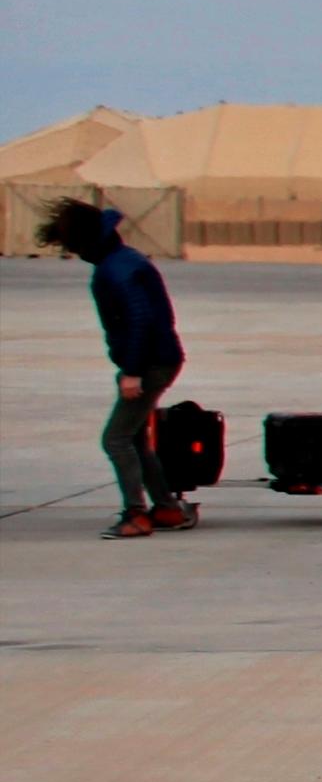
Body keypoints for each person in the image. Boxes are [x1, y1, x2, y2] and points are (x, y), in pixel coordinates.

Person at [40, 196, 193, 539]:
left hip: (150, 363)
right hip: (160, 359)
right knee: (136, 438)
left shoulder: (118, 271)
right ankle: (167, 508)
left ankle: (136, 514)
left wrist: (133, 371)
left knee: (115, 439)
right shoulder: (124, 261)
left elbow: (140, 320)